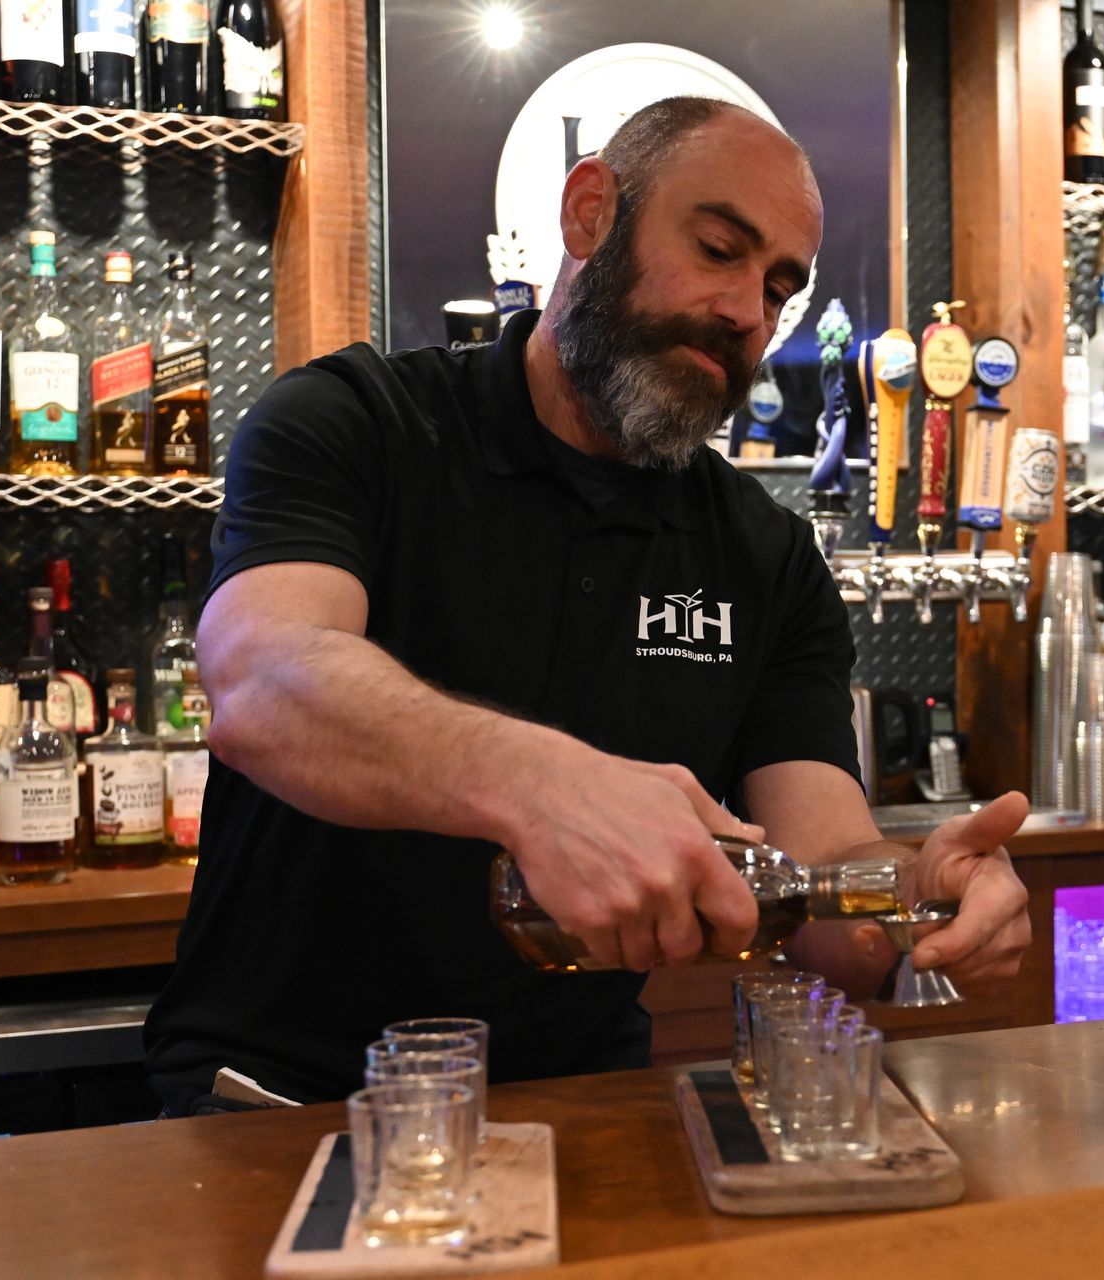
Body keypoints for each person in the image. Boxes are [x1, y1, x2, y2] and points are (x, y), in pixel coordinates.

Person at [143, 97, 1032, 1115]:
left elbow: (825, 870)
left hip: (581, 1113)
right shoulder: (354, 425)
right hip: (277, 1108)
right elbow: (262, 681)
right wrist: (541, 782)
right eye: (717, 248)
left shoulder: (766, 556)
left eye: (779, 287)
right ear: (589, 212)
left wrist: (920, 901)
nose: (748, 310)